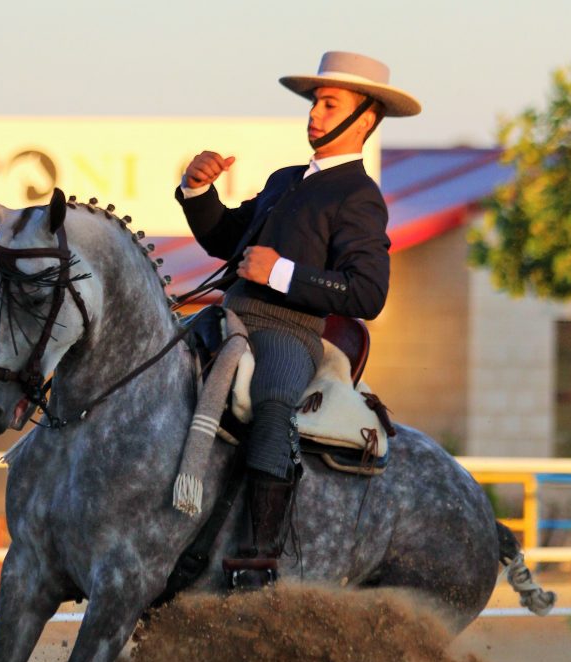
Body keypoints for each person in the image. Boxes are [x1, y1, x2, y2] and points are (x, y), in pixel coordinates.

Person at [176, 51, 421, 587]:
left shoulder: (361, 196)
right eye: (315, 103)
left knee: (271, 406)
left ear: (367, 118)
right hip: (229, 314)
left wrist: (281, 272)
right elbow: (224, 239)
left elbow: (368, 292)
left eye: (330, 105)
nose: (315, 114)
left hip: (289, 333)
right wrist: (198, 191)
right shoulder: (285, 177)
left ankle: (259, 560)